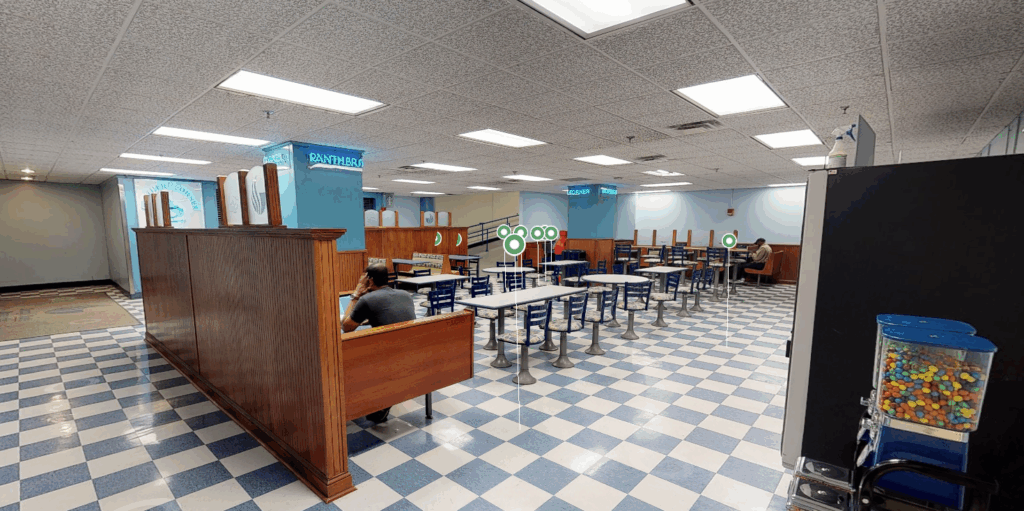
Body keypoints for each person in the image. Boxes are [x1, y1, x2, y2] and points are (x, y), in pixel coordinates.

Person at [342, 263, 415, 423]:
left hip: (387, 359)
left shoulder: (366, 299)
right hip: (410, 351)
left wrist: (356, 295)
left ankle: (375, 401)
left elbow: (346, 327)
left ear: (370, 280)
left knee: (348, 356)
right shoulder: (405, 295)